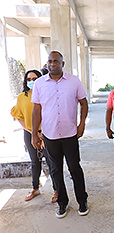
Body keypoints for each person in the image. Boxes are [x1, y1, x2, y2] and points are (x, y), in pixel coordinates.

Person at [32, 51, 89, 219]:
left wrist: (82, 124)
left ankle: (82, 201)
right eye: (50, 61)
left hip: (70, 134)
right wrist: (35, 134)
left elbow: (83, 103)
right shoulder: (39, 84)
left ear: (62, 64)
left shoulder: (73, 81)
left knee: (75, 168)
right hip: (50, 135)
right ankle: (62, 203)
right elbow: (36, 109)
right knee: (56, 170)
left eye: (56, 61)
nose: (52, 64)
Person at [10, 69, 56, 202]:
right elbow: (19, 117)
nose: (32, 82)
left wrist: (42, 134)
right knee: (35, 162)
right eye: (29, 79)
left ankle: (56, 190)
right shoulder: (21, 97)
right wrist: (34, 133)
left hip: (47, 133)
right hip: (30, 133)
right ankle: (35, 188)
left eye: (35, 79)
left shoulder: (46, 94)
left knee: (51, 162)